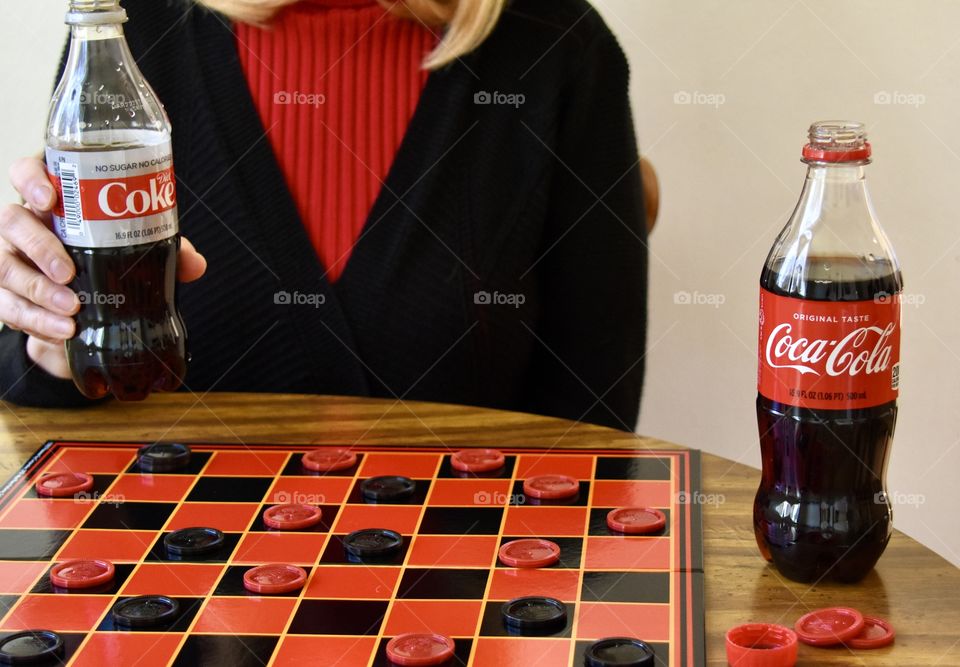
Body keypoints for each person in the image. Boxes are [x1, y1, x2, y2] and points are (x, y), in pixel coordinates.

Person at [0, 0, 650, 430]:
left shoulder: (558, 46)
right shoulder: (135, 28)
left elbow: (592, 423)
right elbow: (39, 381)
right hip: (181, 600)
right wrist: (46, 334)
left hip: (470, 603)